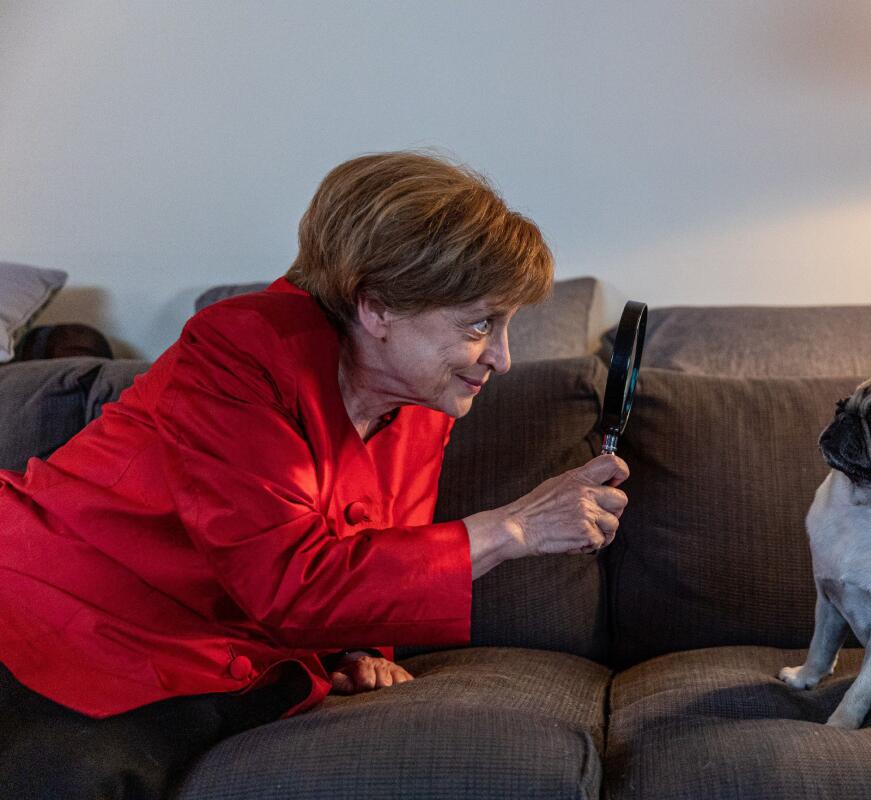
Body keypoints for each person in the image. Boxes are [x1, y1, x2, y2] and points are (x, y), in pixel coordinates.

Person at [0, 151, 630, 799]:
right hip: (60, 603)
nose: (500, 358)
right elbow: (284, 575)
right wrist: (514, 529)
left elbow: (373, 551)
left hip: (213, 652)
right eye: (479, 324)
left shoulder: (424, 402)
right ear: (376, 307)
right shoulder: (239, 349)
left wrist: (360, 651)